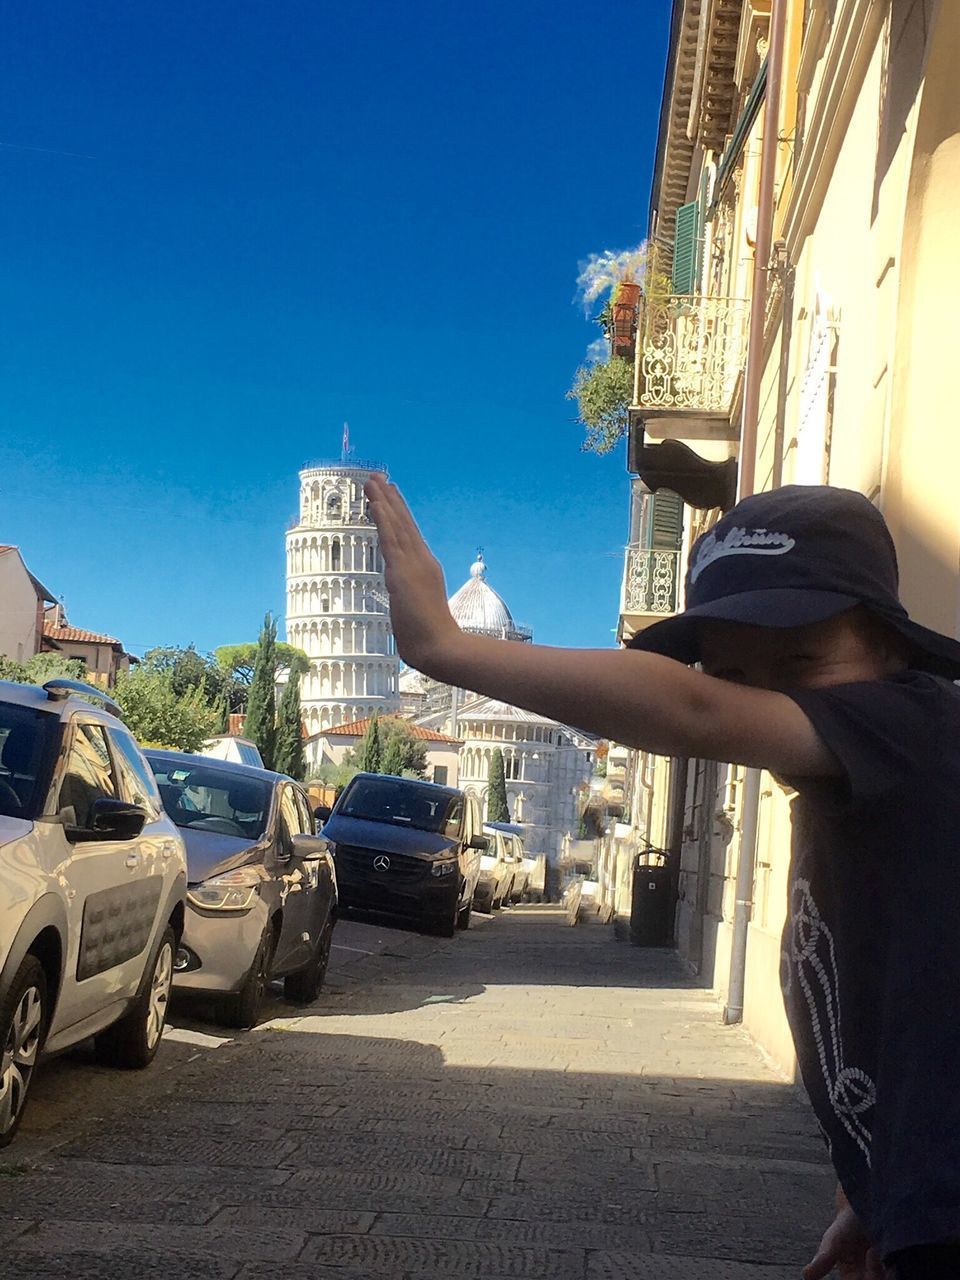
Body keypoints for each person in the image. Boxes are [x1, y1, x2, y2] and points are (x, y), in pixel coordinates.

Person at [365, 474, 960, 1280]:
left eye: (803, 658)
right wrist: (874, 1189)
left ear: (891, 646)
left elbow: (694, 712)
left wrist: (445, 647)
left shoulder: (917, 728)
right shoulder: (866, 783)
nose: (762, 703)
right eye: (733, 676)